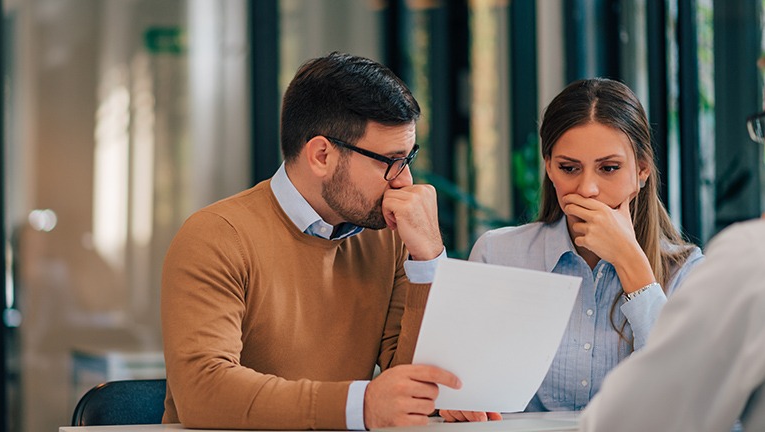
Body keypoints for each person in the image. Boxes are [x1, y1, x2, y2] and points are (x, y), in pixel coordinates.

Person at [160, 52, 477, 430]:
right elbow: (203, 391)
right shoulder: (217, 235)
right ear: (322, 155)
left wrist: (429, 260)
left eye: (408, 159)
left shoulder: (389, 238)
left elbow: (412, 381)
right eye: (390, 161)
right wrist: (361, 405)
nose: (405, 182)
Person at [441, 78, 703, 421]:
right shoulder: (498, 255)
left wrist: (630, 262)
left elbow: (684, 400)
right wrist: (458, 399)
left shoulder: (686, 271)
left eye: (609, 168)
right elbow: (458, 387)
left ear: (641, 170)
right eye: (569, 168)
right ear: (549, 167)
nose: (587, 189)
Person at [578, 217, 765, 431]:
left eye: (607, 179)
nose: (588, 190)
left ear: (641, 180)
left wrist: (628, 260)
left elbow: (642, 417)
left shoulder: (751, 254)